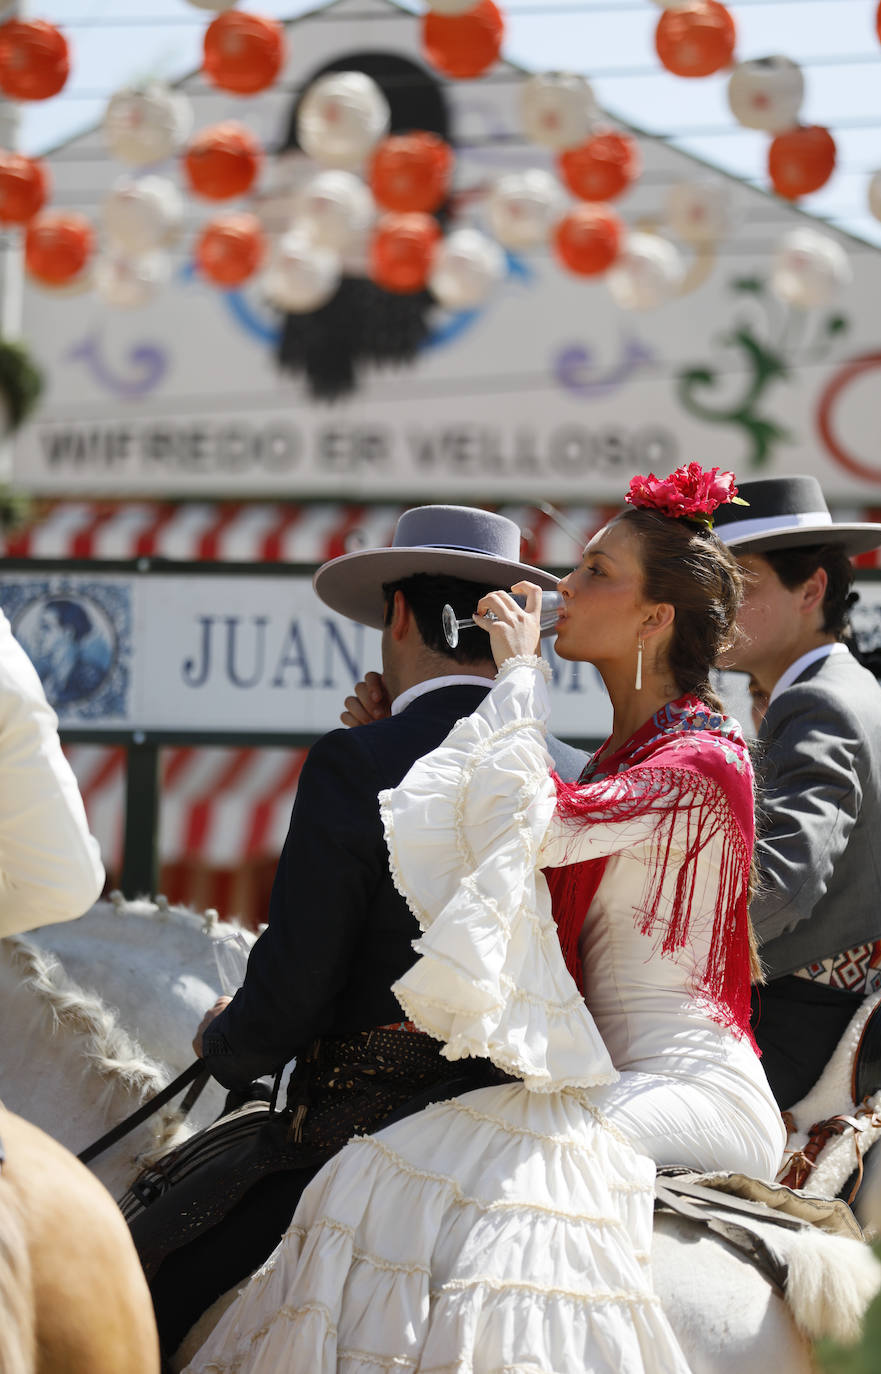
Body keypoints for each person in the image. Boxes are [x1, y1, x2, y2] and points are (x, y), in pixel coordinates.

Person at [182, 465, 784, 1374]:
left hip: (689, 1085)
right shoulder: (622, 753)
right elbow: (499, 839)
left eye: (593, 573)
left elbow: (530, 820)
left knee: (488, 1182)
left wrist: (513, 679)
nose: (559, 591)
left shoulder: (702, 757)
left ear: (654, 620)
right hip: (604, 1075)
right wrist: (416, 735)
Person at [137, 504, 584, 1361]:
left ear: (401, 616)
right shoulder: (570, 769)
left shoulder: (358, 762)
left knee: (135, 1289)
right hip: (529, 1123)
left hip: (364, 1121)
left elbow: (299, 981)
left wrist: (231, 1042)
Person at [715, 475, 881, 1111]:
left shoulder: (816, 700)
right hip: (840, 1018)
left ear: (812, 588)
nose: (717, 608)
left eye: (739, 586)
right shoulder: (841, 693)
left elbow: (778, 888)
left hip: (805, 1030)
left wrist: (661, 947)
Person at [0, 605, 105, 938]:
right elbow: (62, 883)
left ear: (70, 634)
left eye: (47, 628)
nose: (37, 635)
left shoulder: (85, 674)